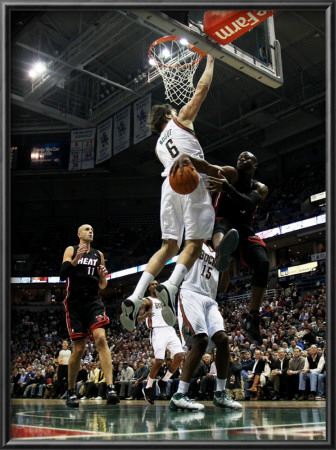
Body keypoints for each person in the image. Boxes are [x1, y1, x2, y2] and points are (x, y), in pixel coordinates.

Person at [120, 54, 238, 332]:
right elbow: (202, 89)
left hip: (168, 185)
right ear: (170, 115)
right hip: (190, 180)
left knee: (168, 246)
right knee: (195, 243)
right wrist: (210, 61)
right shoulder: (181, 119)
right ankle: (172, 286)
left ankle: (136, 296)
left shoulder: (158, 146)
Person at [169, 241, 242, 411]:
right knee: (201, 340)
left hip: (210, 300)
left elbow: (223, 287)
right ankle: (180, 394)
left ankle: (220, 393)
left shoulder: (220, 252)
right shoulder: (196, 241)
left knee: (222, 339)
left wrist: (227, 263)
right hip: (190, 293)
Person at [207, 151, 269, 345]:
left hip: (243, 227)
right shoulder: (229, 174)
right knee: (222, 226)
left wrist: (227, 188)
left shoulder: (260, 187)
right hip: (222, 219)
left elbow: (249, 203)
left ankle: (252, 316)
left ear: (255, 165)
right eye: (240, 157)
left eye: (247, 157)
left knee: (264, 262)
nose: (242, 158)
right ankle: (220, 252)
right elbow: (208, 171)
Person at [60, 224, 119, 407]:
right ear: (79, 234)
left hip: (93, 301)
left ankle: (110, 388)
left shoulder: (98, 255)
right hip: (75, 303)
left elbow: (102, 286)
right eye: (86, 229)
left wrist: (103, 277)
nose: (90, 231)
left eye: (92, 229)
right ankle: (70, 391)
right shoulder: (71, 249)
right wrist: (76, 259)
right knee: (78, 348)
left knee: (101, 338)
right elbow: (63, 274)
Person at [138, 280, 185, 405]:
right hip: (157, 331)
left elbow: (171, 317)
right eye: (152, 284)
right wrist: (145, 316)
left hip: (169, 330)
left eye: (156, 283)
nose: (155, 285)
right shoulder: (146, 300)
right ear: (149, 288)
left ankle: (164, 381)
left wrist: (178, 318)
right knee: (159, 361)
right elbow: (138, 318)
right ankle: (148, 387)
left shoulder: (166, 300)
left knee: (180, 356)